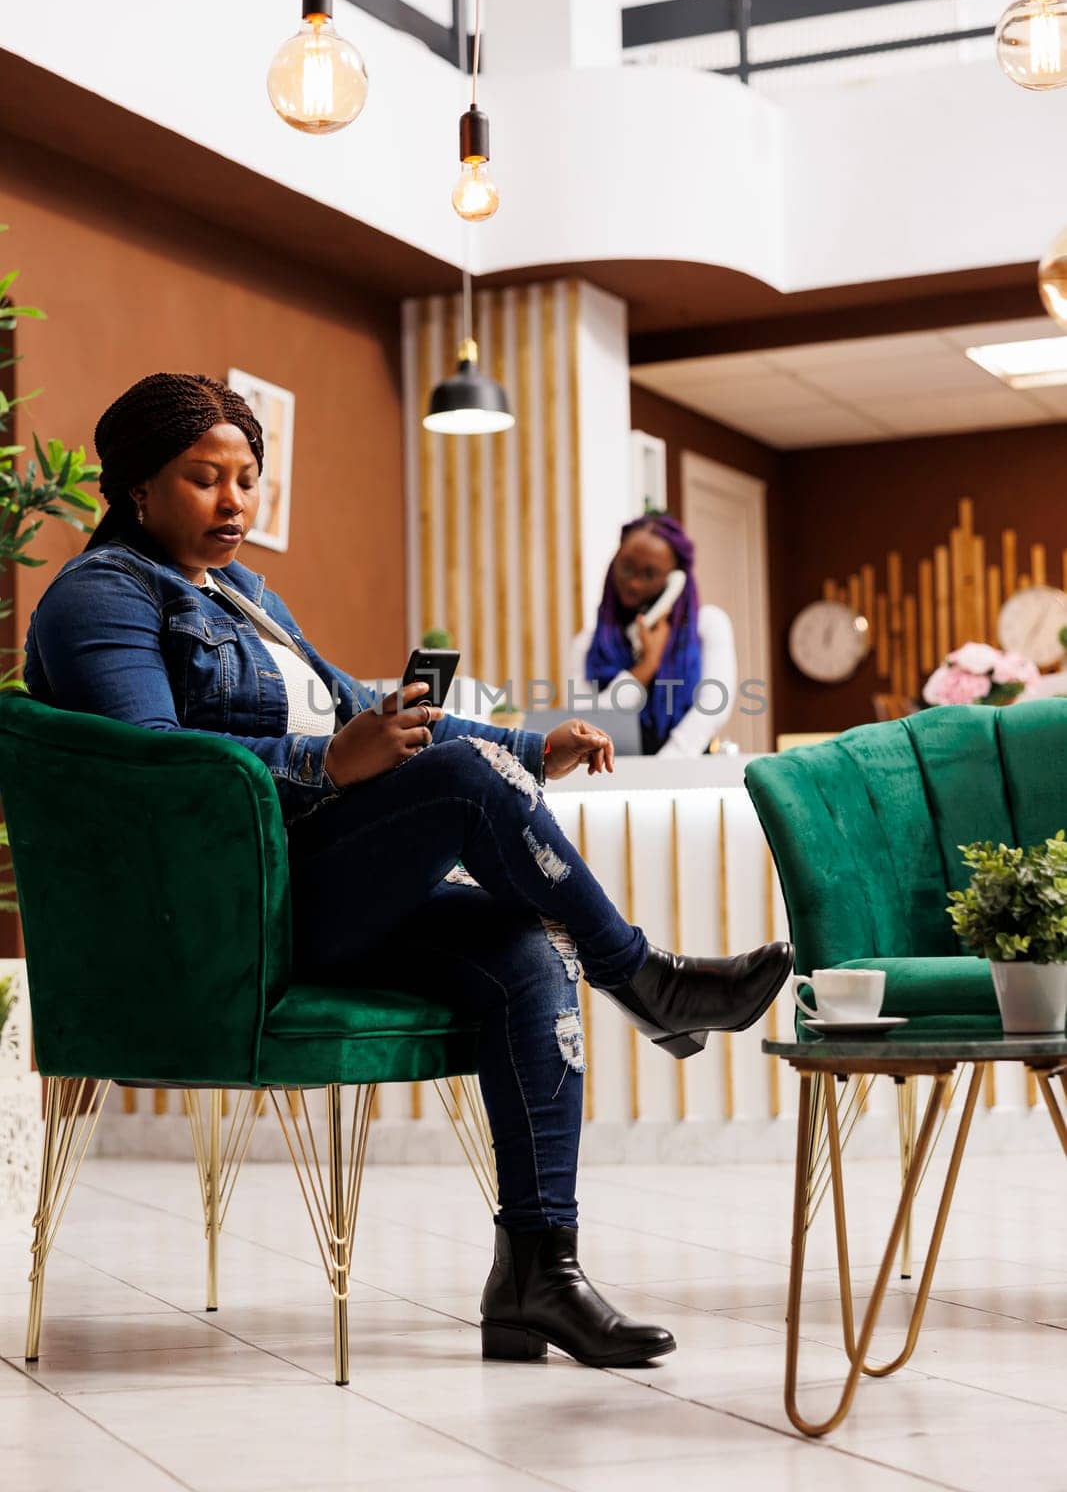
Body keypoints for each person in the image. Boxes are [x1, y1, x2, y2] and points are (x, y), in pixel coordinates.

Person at [23, 374, 791, 1369]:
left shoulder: (244, 596)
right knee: (466, 783)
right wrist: (325, 762)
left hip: (307, 891)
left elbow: (365, 707)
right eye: (203, 477)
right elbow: (154, 773)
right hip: (215, 919)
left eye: (247, 479)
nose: (233, 502)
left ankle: (535, 1277)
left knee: (524, 945)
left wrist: (528, 739)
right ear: (135, 486)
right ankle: (647, 979)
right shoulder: (99, 598)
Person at [571, 513, 737, 756]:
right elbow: (583, 727)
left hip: (685, 773)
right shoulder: (587, 643)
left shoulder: (708, 626)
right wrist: (646, 667)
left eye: (649, 574)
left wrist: (664, 766)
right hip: (611, 776)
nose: (634, 583)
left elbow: (712, 708)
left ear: (676, 580)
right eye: (627, 568)